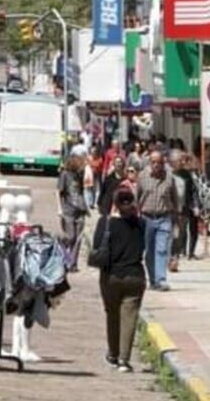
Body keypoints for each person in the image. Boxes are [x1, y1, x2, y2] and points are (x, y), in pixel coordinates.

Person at [93, 189, 147, 373]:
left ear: (114, 203)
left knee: (112, 314)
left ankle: (113, 353)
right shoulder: (141, 224)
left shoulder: (105, 222)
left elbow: (96, 246)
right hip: (135, 275)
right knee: (129, 317)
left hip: (111, 276)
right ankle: (124, 359)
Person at [136, 151, 178, 291]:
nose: (156, 165)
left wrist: (176, 217)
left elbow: (174, 198)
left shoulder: (169, 178)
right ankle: (153, 279)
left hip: (164, 218)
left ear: (163, 163)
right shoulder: (142, 177)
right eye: (153, 162)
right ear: (150, 163)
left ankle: (161, 280)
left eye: (158, 162)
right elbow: (137, 198)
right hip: (146, 218)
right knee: (149, 251)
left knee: (162, 249)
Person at [58, 154, 89, 270]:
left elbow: (81, 192)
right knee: (70, 237)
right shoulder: (64, 175)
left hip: (80, 210)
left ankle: (73, 263)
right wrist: (59, 208)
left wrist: (86, 207)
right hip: (68, 210)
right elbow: (58, 192)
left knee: (78, 238)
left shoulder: (80, 175)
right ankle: (62, 249)